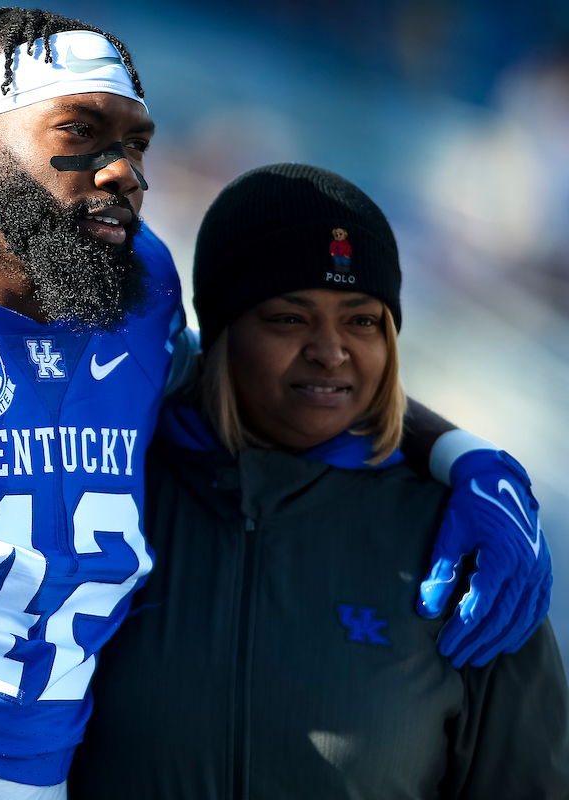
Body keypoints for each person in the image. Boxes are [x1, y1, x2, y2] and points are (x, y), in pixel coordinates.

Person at [0, 9, 550, 800]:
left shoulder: (133, 303)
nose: (123, 171)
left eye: (136, 142)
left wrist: (464, 456)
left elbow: (279, 380)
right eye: (81, 132)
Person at [69, 163, 569, 799]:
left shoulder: (467, 547)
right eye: (288, 318)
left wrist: (468, 457)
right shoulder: (107, 489)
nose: (331, 350)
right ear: (219, 336)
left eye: (362, 320)